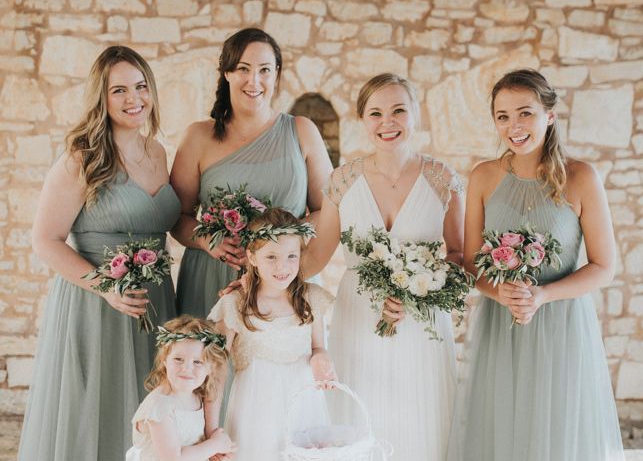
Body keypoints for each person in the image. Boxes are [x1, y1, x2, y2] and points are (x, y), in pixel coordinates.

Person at [446, 68, 624, 461]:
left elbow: (603, 265)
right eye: (503, 116)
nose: (514, 126)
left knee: (557, 433)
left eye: (525, 113)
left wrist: (542, 295)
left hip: (562, 326)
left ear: (550, 115)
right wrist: (503, 294)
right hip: (501, 327)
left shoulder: (581, 177)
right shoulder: (483, 177)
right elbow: (473, 262)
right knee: (503, 432)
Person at [18, 46, 182, 461]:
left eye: (141, 87)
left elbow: (172, 222)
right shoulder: (82, 159)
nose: (134, 99)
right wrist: (106, 287)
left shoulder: (158, 153)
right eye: (120, 90)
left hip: (155, 304)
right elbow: (46, 240)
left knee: (149, 414)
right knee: (97, 411)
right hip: (96, 306)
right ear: (101, 99)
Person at [305, 73, 465, 461]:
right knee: (363, 415)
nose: (387, 121)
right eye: (375, 113)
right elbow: (315, 257)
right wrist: (257, 280)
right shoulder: (342, 181)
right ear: (363, 120)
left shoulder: (442, 179)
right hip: (359, 317)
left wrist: (417, 288)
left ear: (415, 115)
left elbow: (460, 256)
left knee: (422, 415)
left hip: (423, 321)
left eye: (398, 110)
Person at [171, 27, 332, 318]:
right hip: (211, 276)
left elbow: (328, 211)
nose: (254, 80)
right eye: (243, 68)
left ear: (276, 74)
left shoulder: (303, 131)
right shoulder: (197, 137)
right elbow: (176, 217)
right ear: (226, 73)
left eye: (265, 70)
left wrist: (281, 243)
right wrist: (207, 240)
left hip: (284, 279)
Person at [208, 207, 335, 461]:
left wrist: (321, 359)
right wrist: (211, 429)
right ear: (252, 257)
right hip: (255, 410)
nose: (283, 266)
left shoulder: (310, 299)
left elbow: (318, 347)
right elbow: (216, 371)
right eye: (271, 257)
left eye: (291, 256)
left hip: (304, 407)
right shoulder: (236, 304)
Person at [126, 315, 236, 461]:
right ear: (165, 360)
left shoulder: (197, 396)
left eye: (198, 362)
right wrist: (214, 445)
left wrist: (213, 453)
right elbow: (173, 458)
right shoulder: (160, 405)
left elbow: (194, 446)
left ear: (211, 368)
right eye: (178, 359)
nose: (186, 368)